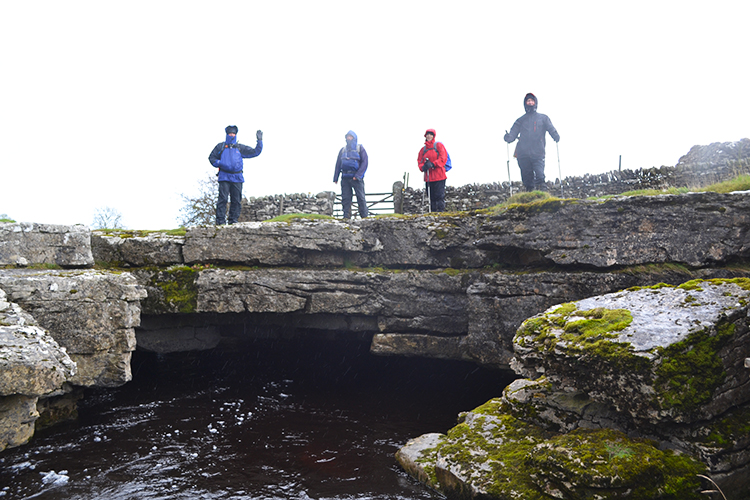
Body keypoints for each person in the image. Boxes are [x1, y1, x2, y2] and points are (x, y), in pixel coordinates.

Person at [504, 93, 560, 192]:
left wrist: (555, 135)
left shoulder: (543, 118)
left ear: (535, 103)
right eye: (528, 101)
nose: (530, 103)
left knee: (540, 175)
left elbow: (550, 128)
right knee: (526, 177)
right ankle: (530, 194)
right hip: (522, 153)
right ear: (525, 104)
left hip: (538, 151)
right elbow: (513, 133)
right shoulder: (520, 120)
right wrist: (508, 138)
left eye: (532, 101)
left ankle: (542, 194)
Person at [208, 125, 263, 225]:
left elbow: (256, 152)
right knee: (223, 199)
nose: (232, 135)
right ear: (227, 134)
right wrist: (220, 163)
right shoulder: (220, 146)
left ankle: (233, 220)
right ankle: (220, 221)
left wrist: (259, 141)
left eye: (233, 133)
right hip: (224, 176)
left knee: (236, 200)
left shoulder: (240, 148)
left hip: (237, 177)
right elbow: (211, 158)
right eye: (230, 133)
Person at [333, 130, 368, 219]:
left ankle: (364, 216)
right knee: (346, 198)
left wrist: (358, 176)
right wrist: (336, 177)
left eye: (350, 137)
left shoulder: (360, 148)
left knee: (360, 197)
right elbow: (338, 164)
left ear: (354, 138)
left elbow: (365, 163)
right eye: (347, 137)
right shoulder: (343, 150)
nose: (349, 138)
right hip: (345, 178)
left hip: (356, 178)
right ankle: (346, 217)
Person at [417, 129, 448, 212]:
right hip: (428, 177)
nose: (429, 136)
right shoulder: (422, 150)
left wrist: (433, 164)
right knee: (431, 196)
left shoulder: (438, 145)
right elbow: (419, 161)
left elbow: (443, 158)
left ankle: (440, 212)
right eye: (427, 134)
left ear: (433, 136)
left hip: (439, 176)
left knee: (439, 195)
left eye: (431, 134)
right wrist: (423, 167)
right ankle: (433, 212)